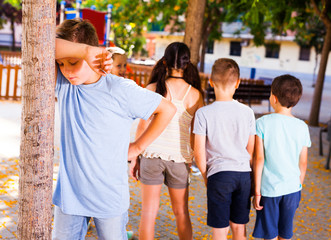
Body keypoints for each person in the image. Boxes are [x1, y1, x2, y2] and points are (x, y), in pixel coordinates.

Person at [53, 18, 176, 240]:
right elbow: (41, 44)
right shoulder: (64, 83)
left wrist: (138, 146)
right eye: (61, 64)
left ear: (92, 55)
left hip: (109, 199)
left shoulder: (120, 89)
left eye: (72, 62)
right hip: (69, 199)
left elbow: (167, 110)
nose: (66, 70)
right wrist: (84, 51)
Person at [130, 42, 204, 240]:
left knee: (148, 213)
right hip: (179, 159)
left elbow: (142, 127)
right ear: (186, 64)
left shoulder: (152, 88)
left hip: (151, 155)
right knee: (181, 213)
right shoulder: (195, 95)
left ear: (164, 61)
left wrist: (134, 157)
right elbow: (195, 133)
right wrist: (192, 159)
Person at [193, 58, 255, 240]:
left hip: (218, 175)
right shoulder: (247, 112)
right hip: (243, 175)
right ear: (238, 83)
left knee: (220, 230)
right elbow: (250, 149)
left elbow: (199, 152)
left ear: (211, 82)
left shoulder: (203, 113)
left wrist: (206, 176)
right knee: (239, 227)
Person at [252, 74, 311, 240]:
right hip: (292, 189)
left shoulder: (262, 123)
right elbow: (303, 162)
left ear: (274, 98)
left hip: (269, 190)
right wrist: (298, 185)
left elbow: (259, 159)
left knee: (269, 234)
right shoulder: (302, 127)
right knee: (285, 232)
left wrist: (257, 191)